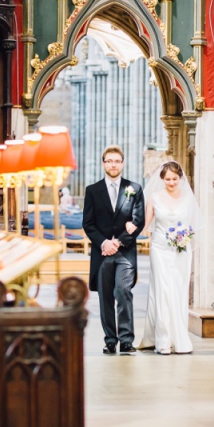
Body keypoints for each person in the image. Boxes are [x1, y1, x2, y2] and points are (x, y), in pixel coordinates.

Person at [83, 145, 146, 354]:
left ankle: (126, 339)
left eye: (117, 161)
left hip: (124, 252)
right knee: (105, 296)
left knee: (123, 290)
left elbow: (139, 221)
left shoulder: (134, 189)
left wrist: (117, 242)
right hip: (102, 253)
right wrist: (104, 243)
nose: (113, 164)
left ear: (123, 163)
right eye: (109, 161)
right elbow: (88, 223)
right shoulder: (92, 190)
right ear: (103, 164)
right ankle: (110, 339)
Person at [136, 161, 198, 354]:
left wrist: (185, 237)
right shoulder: (154, 198)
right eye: (168, 179)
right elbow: (145, 224)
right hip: (160, 249)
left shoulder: (188, 199)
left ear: (180, 178)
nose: (171, 182)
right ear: (162, 179)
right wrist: (129, 228)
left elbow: (194, 225)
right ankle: (162, 339)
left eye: (175, 179)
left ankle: (179, 338)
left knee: (178, 291)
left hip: (181, 250)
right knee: (162, 291)